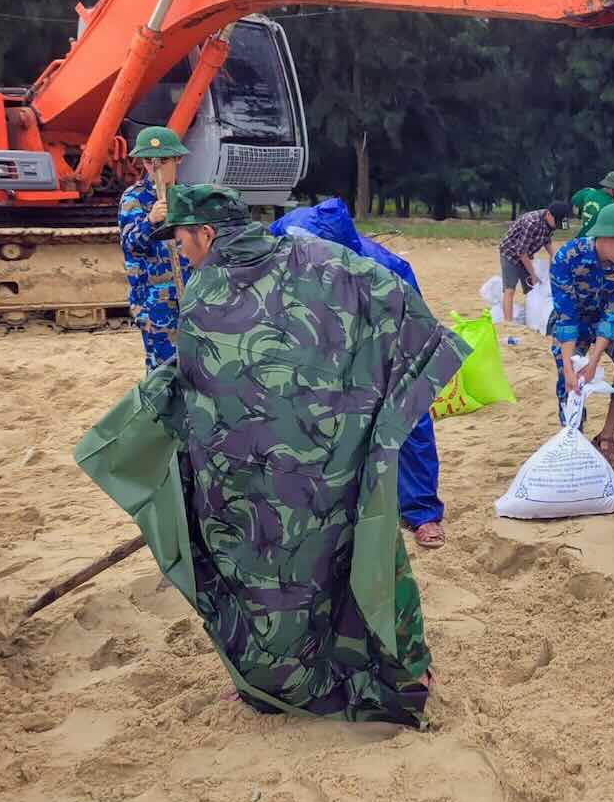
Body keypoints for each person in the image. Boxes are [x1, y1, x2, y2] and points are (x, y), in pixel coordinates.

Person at [77, 184, 466, 727]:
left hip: (259, 480)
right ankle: (409, 676)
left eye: (182, 240)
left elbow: (205, 390)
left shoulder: (206, 292)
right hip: (340, 457)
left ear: (206, 234)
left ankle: (287, 682)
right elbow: (402, 309)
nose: (181, 252)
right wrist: (374, 409)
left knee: (272, 578)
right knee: (365, 553)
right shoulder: (323, 257)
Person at [269, 199, 450, 549]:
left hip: (384, 342)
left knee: (409, 416)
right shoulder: (286, 240)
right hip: (319, 343)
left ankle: (422, 512)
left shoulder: (385, 270)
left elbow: (413, 330)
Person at [549, 201, 614, 467]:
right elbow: (566, 315)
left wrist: (594, 361)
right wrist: (573, 368)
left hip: (607, 323)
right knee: (568, 375)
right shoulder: (568, 257)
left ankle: (606, 437)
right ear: (603, 237)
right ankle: (574, 439)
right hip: (574, 322)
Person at [117, 126, 193, 372]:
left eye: (163, 160)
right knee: (163, 368)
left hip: (192, 294)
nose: (155, 167)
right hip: (155, 299)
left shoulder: (188, 197)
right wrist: (150, 221)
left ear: (178, 159)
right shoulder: (135, 198)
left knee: (195, 363)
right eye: (148, 161)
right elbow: (131, 246)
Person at [498, 201, 570, 323]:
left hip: (526, 254)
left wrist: (555, 257)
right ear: (548, 214)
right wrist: (533, 275)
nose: (556, 226)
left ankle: (532, 319)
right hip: (510, 253)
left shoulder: (550, 222)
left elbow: (546, 240)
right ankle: (508, 323)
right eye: (556, 223)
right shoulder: (531, 222)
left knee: (532, 290)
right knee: (510, 289)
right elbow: (521, 252)